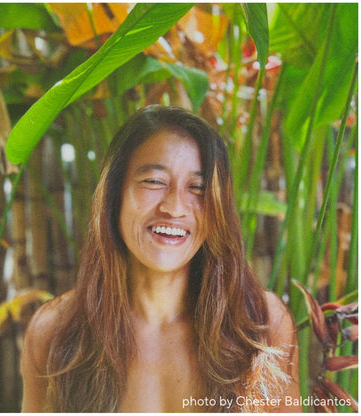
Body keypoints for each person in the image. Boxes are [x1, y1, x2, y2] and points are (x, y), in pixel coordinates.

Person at [21, 105, 301, 412]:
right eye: (154, 181)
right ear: (115, 193)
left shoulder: (259, 324)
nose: (175, 207)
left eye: (197, 188)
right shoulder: (55, 331)